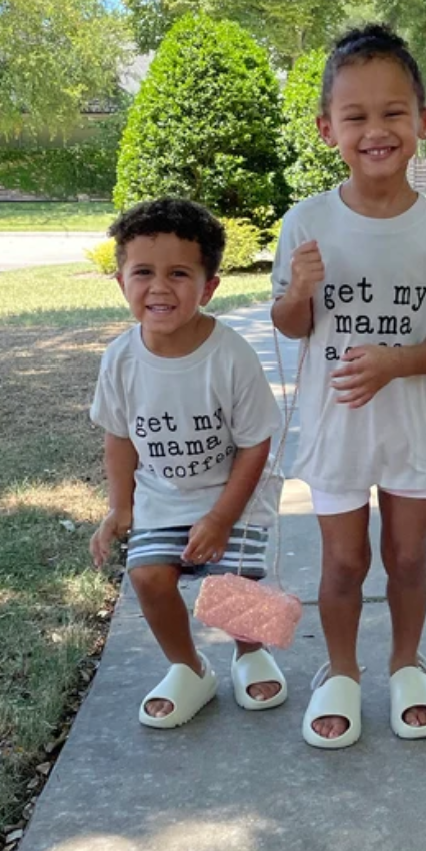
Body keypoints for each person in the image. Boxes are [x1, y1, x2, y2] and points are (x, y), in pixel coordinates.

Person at [271, 24, 426, 750]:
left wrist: (397, 362)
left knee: (408, 557)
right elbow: (289, 327)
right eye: (355, 116)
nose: (375, 130)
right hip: (337, 427)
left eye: (393, 112)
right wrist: (300, 292)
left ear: (423, 121)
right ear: (327, 129)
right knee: (344, 560)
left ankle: (407, 662)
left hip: (410, 428)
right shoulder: (308, 222)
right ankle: (339, 669)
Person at [90, 197, 287, 729]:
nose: (159, 287)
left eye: (179, 273)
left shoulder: (230, 356)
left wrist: (222, 518)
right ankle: (188, 667)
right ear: (121, 281)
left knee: (234, 580)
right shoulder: (121, 359)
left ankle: (251, 651)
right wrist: (119, 508)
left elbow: (255, 445)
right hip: (163, 498)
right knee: (149, 576)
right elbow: (120, 438)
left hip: (236, 496)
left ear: (208, 287)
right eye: (144, 272)